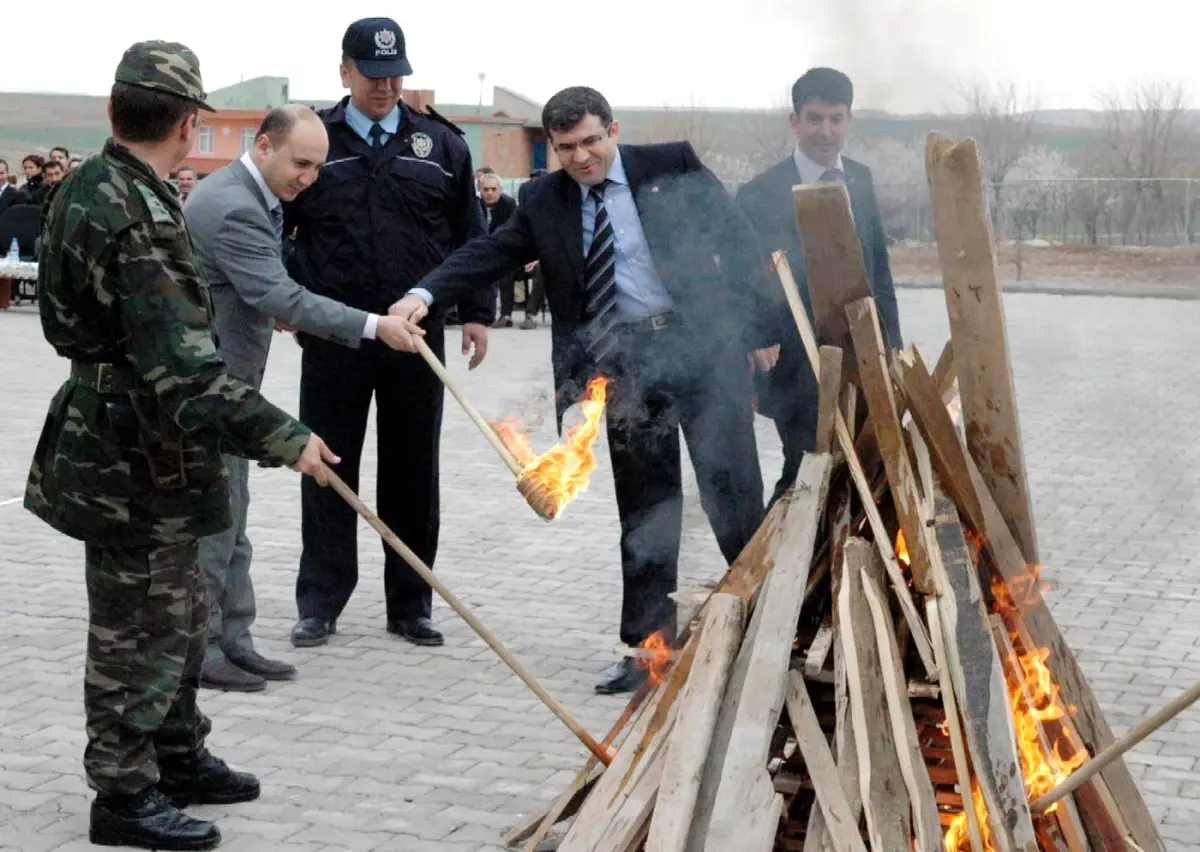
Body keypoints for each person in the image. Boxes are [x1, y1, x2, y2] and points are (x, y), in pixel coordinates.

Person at [22, 40, 346, 851]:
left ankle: (176, 752)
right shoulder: (135, 215)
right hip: (133, 450)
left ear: (113, 111)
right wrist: (287, 435)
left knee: (182, 607)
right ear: (190, 121)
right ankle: (124, 795)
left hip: (137, 438)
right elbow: (188, 373)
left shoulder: (92, 185)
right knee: (135, 627)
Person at [393, 86, 778, 694]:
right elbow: (490, 252)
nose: (581, 157)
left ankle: (770, 633)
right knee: (646, 512)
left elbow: (737, 240)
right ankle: (648, 650)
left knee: (734, 495)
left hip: (702, 353)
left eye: (592, 141)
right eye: (567, 147)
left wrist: (760, 327)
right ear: (552, 148)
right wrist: (424, 294)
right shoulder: (544, 199)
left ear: (613, 131)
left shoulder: (670, 164)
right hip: (625, 369)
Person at [186, 104, 430, 692]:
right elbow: (281, 297)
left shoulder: (257, 198)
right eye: (300, 164)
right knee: (215, 518)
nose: (309, 179)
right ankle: (202, 646)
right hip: (209, 385)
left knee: (234, 513)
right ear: (264, 145)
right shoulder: (233, 206)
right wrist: (374, 326)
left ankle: (235, 640)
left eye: (318, 168)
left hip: (234, 385)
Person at [284, 17, 490, 649]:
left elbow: (472, 237)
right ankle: (320, 600)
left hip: (414, 339)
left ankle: (411, 603)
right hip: (335, 336)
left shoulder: (442, 145)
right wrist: (287, 299)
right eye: (373, 75)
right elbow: (277, 220)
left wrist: (477, 311)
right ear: (344, 71)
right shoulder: (317, 137)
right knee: (326, 467)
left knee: (412, 472)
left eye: (396, 73)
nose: (386, 85)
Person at [736, 67, 902, 508]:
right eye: (813, 118)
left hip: (864, 358)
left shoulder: (861, 180)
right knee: (803, 474)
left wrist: (893, 348)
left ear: (849, 119)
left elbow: (878, 271)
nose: (824, 130)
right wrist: (754, 348)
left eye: (835, 118)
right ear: (795, 121)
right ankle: (775, 570)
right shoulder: (760, 194)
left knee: (862, 472)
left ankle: (846, 571)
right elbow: (744, 283)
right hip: (797, 368)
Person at [479, 173, 520, 328]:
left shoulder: (509, 205)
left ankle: (506, 314)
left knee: (505, 270)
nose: (489, 193)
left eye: (493, 189)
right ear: (480, 190)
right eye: (486, 189)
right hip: (480, 250)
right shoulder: (474, 204)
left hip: (504, 251)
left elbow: (513, 233)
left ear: (500, 190)